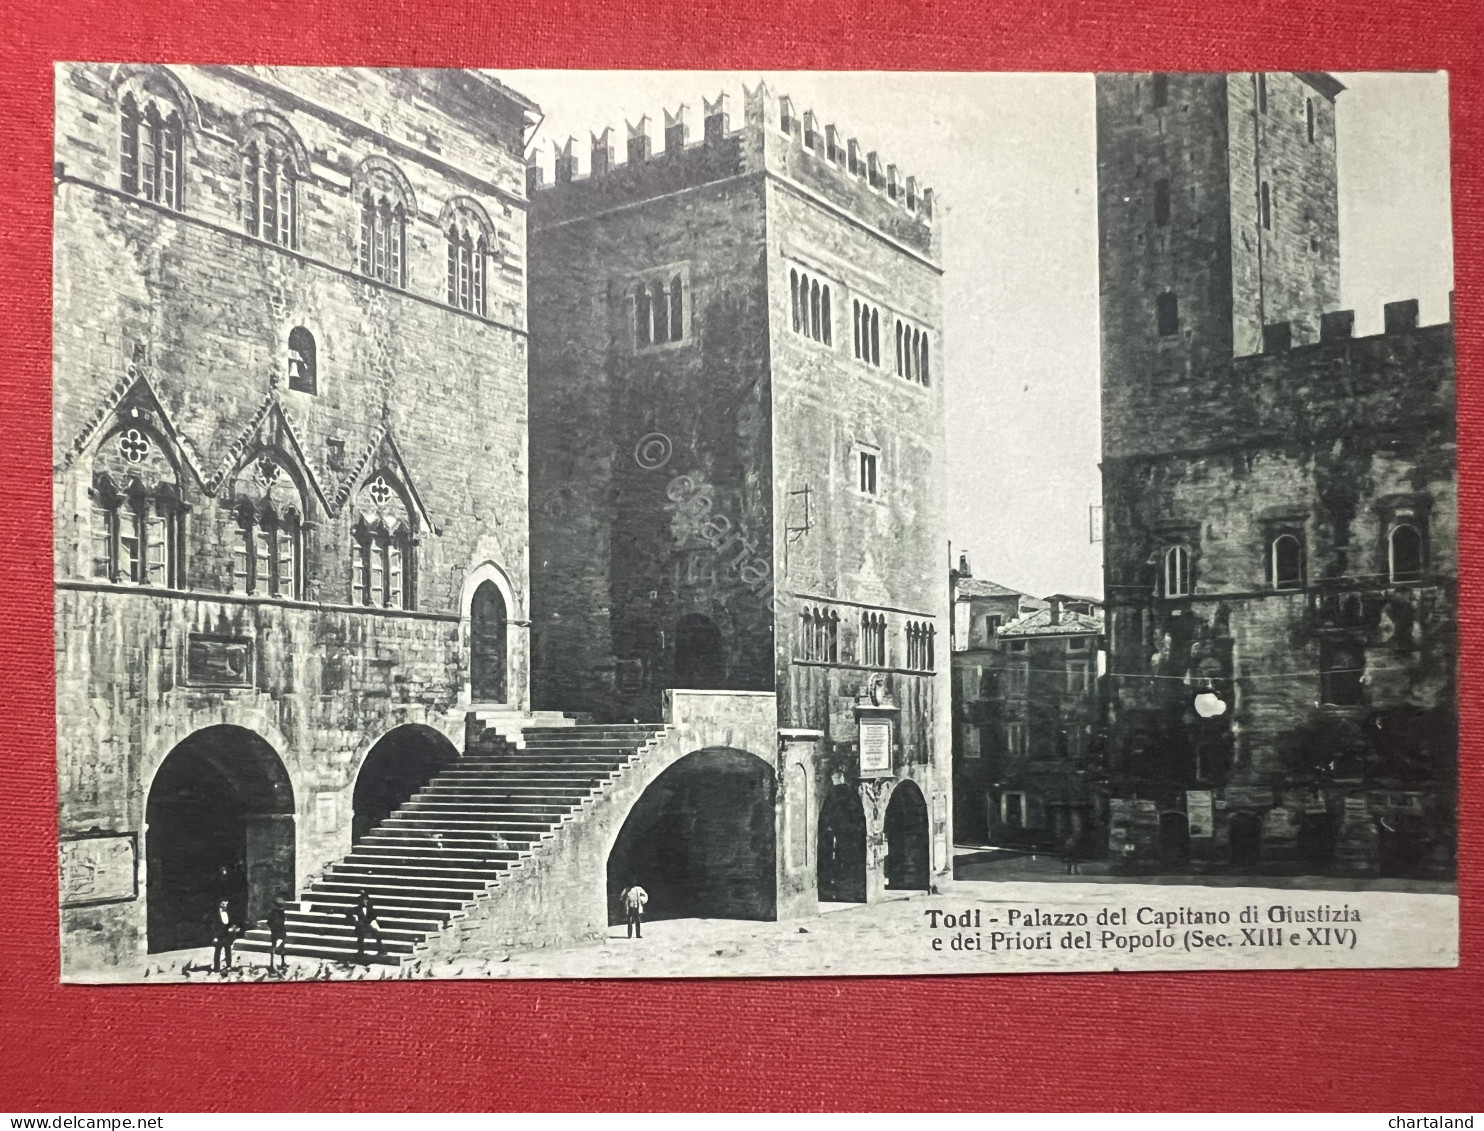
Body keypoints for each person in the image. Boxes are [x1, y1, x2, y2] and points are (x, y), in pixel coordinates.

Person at [349, 890, 384, 964]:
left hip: (369, 925)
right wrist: (354, 917)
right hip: (361, 926)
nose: (364, 901)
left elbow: (374, 917)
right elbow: (350, 914)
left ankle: (380, 950)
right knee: (360, 936)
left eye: (365, 900)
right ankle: (360, 951)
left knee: (378, 934)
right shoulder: (356, 909)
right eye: (362, 900)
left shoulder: (370, 909)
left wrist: (373, 923)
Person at [211, 899, 240, 973]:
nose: (225, 906)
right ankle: (216, 968)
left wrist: (233, 928)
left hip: (227, 935)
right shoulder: (215, 914)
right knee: (218, 951)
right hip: (219, 936)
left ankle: (228, 966)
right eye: (224, 904)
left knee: (228, 951)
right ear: (220, 904)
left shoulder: (228, 912)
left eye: (226, 904)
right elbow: (213, 926)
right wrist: (215, 936)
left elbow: (230, 923)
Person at [266, 900, 289, 972]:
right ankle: (280, 962)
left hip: (277, 931)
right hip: (280, 931)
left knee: (275, 946)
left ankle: (273, 964)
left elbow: (268, 923)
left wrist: (272, 928)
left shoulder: (273, 913)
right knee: (281, 946)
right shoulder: (281, 913)